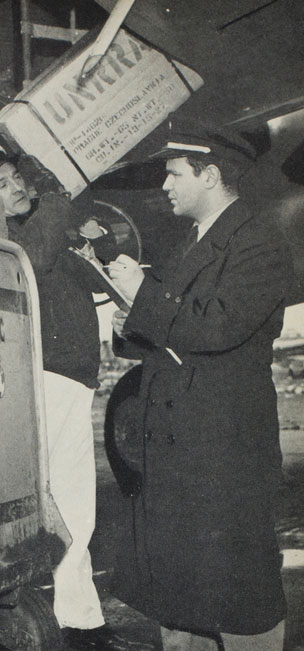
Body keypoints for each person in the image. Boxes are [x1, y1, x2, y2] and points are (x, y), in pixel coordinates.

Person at [107, 120, 292, 650]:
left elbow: (219, 325)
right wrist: (130, 320)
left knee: (239, 601)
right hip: (184, 446)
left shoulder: (258, 239)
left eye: (174, 174)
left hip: (222, 446)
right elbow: (177, 330)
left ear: (210, 176)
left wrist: (145, 295)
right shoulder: (193, 240)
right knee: (182, 600)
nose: (164, 186)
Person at [0, 141, 135, 651]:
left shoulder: (42, 226)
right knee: (63, 499)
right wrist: (60, 200)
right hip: (44, 379)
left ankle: (75, 616)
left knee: (72, 500)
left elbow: (86, 271)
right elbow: (31, 259)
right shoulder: (3, 235)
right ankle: (70, 618)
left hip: (70, 380)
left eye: (16, 178)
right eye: (0, 185)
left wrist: (94, 243)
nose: (16, 189)